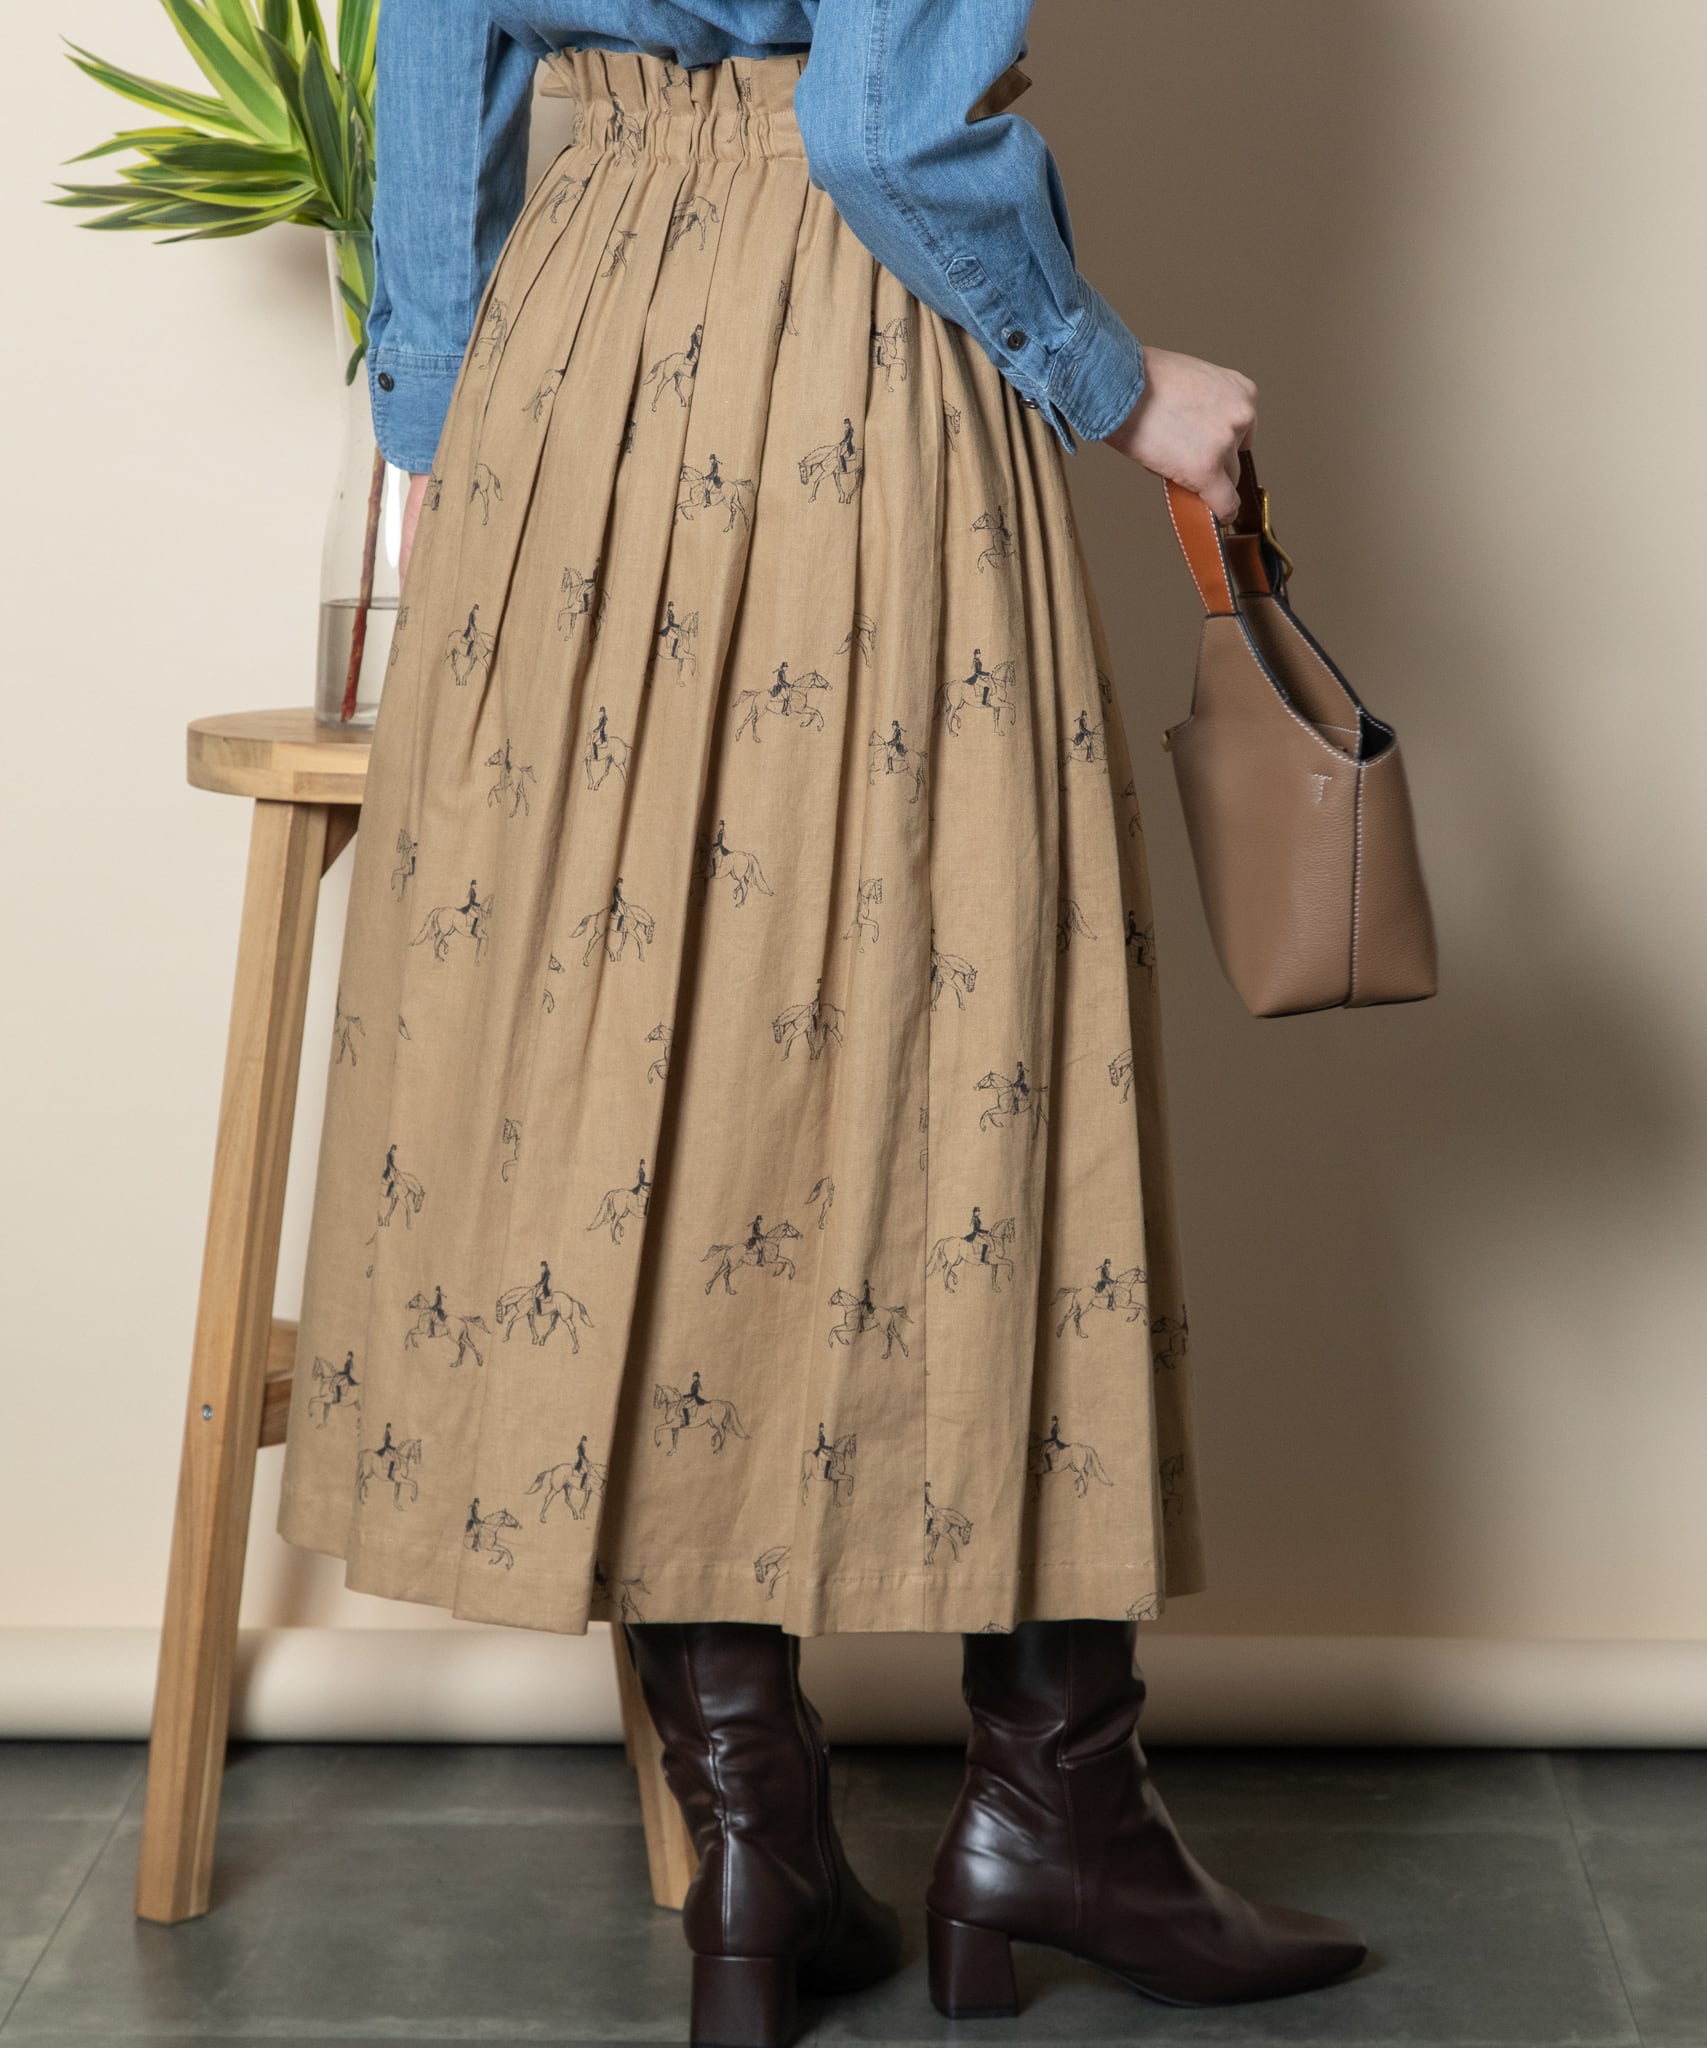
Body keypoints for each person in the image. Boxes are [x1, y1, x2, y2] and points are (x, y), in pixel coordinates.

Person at [275, 5, 1365, 2044]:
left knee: (642, 1070)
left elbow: (434, 48)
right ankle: (1054, 1810)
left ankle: (753, 1845)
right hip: (853, 361)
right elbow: (878, 126)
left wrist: (437, 413)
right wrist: (1116, 380)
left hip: (562, 367)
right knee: (979, 1037)